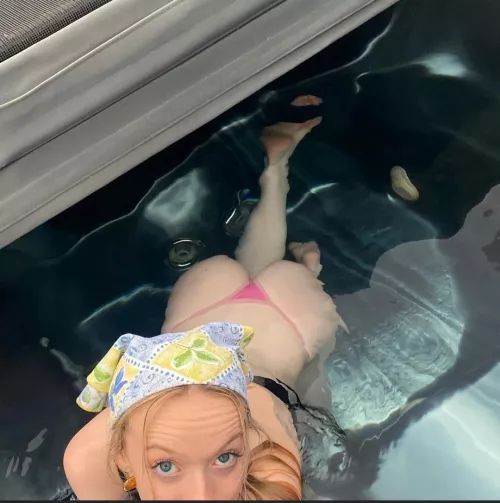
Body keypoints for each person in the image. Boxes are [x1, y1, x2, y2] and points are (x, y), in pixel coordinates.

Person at [63, 95, 347, 500]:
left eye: (226, 457)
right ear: (122, 458)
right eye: (165, 466)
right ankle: (278, 177)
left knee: (312, 386)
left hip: (272, 315)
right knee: (304, 388)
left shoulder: (88, 458)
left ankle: (296, 250)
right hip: (217, 303)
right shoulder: (90, 455)